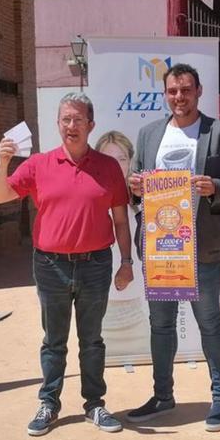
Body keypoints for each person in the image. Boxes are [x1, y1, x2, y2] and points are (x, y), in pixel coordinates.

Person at [0, 93, 134, 436]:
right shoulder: (39, 164)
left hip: (96, 264)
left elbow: (121, 221)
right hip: (50, 265)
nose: (72, 126)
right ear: (58, 124)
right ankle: (48, 405)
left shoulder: (108, 167)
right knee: (54, 341)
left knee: (93, 340)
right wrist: (2, 162)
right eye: (66, 119)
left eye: (79, 120)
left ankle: (95, 405)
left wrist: (126, 262)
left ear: (91, 125)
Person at [126, 63, 220, 432]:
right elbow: (134, 188)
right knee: (160, 324)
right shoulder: (148, 134)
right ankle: (163, 396)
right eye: (173, 91)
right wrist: (135, 189)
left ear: (199, 91)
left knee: (209, 322)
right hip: (161, 249)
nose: (179, 97)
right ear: (165, 94)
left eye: (186, 90)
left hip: (203, 248)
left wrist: (216, 188)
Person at [95, 131, 150, 360]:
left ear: (130, 160)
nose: (115, 165)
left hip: (137, 314)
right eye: (108, 158)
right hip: (102, 314)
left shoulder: (143, 202)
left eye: (121, 158)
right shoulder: (92, 200)